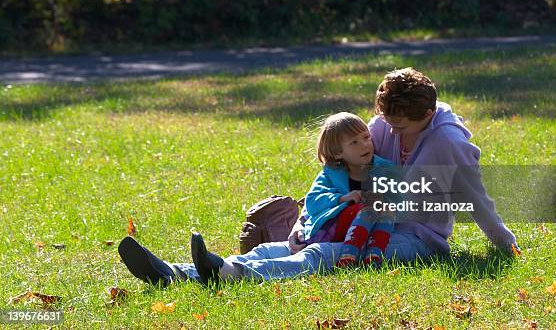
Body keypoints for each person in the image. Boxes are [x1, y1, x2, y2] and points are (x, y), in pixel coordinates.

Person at [118, 67, 520, 286]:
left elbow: (475, 198)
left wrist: (505, 244)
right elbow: (343, 177)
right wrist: (311, 219)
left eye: (399, 128)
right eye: (386, 123)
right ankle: (179, 273)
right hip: (362, 219)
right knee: (293, 245)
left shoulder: (448, 142)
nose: (388, 134)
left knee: (325, 256)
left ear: (427, 117)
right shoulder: (384, 126)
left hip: (414, 238)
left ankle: (229, 274)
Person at [301, 112, 395, 267]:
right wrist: (341, 198)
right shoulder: (330, 173)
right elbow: (311, 202)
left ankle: (374, 255)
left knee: (386, 208)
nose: (364, 145)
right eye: (354, 142)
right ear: (338, 152)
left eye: (366, 137)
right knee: (368, 207)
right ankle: (348, 255)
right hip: (331, 230)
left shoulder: (385, 169)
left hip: (370, 229)